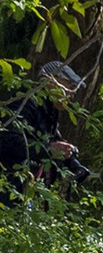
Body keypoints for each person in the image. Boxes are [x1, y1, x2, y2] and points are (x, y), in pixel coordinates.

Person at [0, 61, 85, 198]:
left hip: (23, 184)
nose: (71, 95)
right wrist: (48, 149)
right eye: (70, 87)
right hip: (7, 180)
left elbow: (51, 138)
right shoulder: (26, 100)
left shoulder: (49, 108)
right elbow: (8, 139)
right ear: (51, 81)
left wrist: (68, 155)